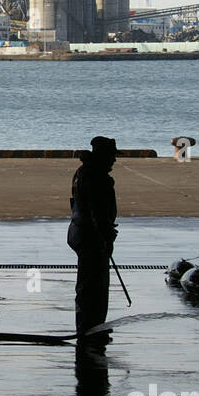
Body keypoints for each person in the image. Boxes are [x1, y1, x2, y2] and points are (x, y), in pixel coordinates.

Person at [67, 136, 118, 339]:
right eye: (112, 155)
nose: (114, 160)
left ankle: (90, 325)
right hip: (91, 236)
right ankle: (91, 328)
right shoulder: (97, 177)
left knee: (89, 284)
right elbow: (98, 212)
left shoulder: (83, 172)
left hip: (80, 231)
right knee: (94, 287)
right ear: (103, 155)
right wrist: (106, 238)